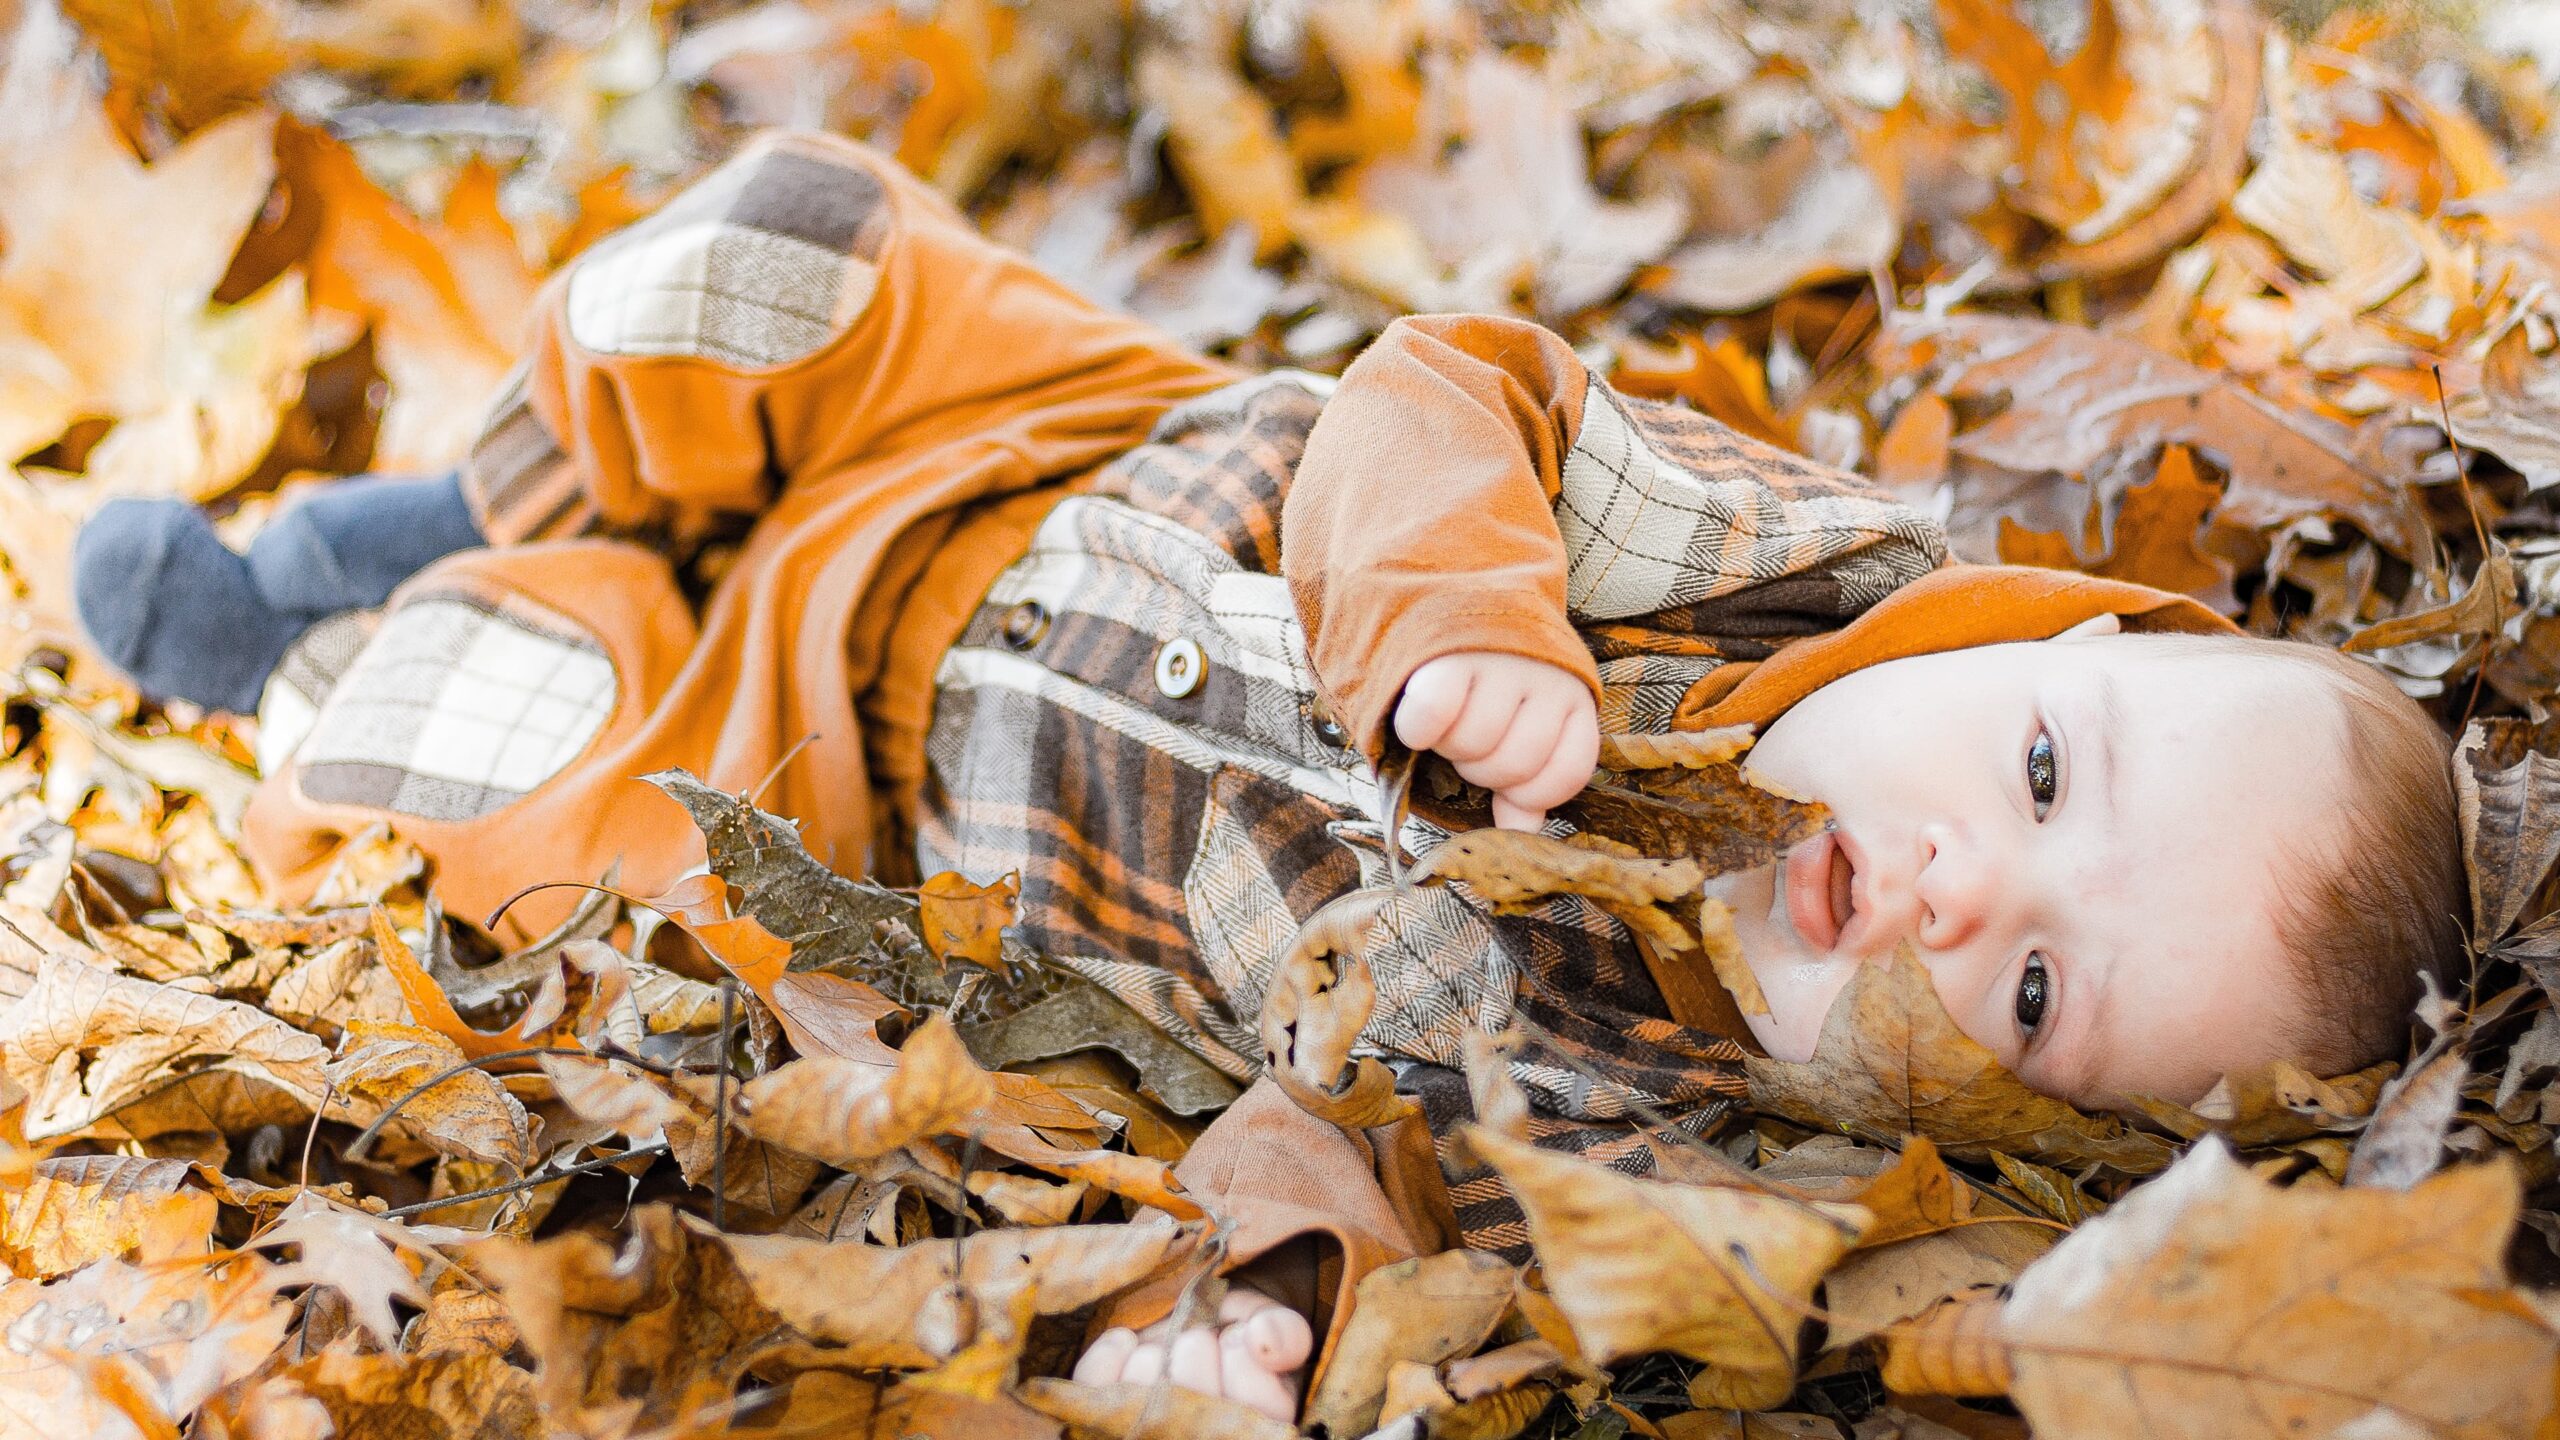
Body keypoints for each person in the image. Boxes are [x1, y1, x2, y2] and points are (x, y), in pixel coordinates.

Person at [70, 132, 2463, 1420]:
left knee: (532, 803)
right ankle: (477, 500)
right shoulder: (1768, 571)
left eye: (2030, 995)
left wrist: (1275, 1298)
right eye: (2036, 768)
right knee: (782, 240)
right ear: (2029, 632)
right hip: (1037, 437)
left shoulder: (1656, 1114)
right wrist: (1466, 618)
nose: (1957, 888)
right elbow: (1453, 377)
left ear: (2002, 1137)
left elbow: (1381, 1162)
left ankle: (357, 635)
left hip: (857, 772)